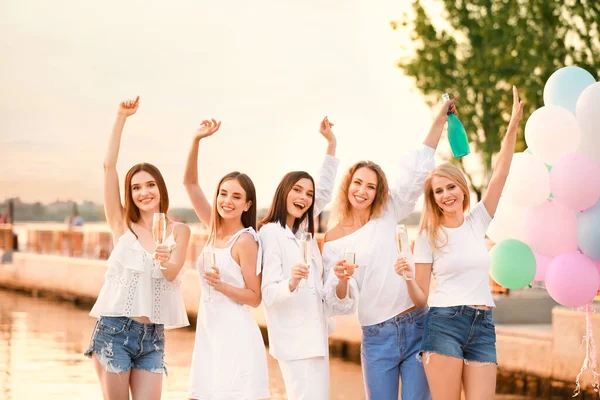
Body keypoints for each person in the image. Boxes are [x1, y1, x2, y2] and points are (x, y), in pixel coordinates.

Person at [322, 98, 459, 400]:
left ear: (378, 191)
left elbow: (418, 169)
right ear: (348, 186)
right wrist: (343, 279)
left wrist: (439, 119)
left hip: (416, 325)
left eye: (370, 186)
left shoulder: (388, 212)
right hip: (376, 336)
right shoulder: (332, 240)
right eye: (358, 183)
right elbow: (339, 302)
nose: (363, 191)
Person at [398, 86, 524, 400]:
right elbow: (420, 299)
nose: (446, 195)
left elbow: (500, 174)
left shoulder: (477, 220)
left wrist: (512, 127)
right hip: (444, 323)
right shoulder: (427, 235)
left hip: (483, 324)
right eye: (438, 191)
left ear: (462, 188)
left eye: (450, 186)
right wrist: (408, 276)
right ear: (433, 198)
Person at [84, 96, 191, 400]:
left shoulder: (180, 231)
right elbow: (108, 167)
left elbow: (171, 275)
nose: (144, 192)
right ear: (130, 194)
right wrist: (121, 117)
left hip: (153, 338)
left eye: (150, 185)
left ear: (161, 188)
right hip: (114, 331)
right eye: (136, 187)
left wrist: (163, 260)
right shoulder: (121, 225)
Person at [259, 117, 354, 400]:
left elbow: (324, 190)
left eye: (308, 194)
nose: (304, 197)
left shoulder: (302, 229)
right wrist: (292, 281)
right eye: (297, 190)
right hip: (293, 340)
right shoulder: (270, 233)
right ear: (283, 192)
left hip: (316, 335)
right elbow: (268, 292)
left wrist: (331, 144)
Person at [183, 119, 270, 400]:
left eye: (236, 196)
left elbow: (255, 297)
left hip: (236, 337)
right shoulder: (213, 229)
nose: (227, 201)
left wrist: (221, 286)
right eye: (223, 193)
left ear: (247, 205)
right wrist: (196, 140)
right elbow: (190, 182)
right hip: (209, 333)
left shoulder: (245, 240)